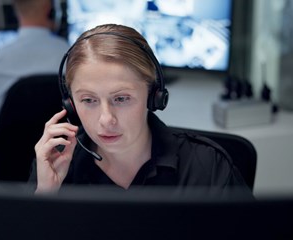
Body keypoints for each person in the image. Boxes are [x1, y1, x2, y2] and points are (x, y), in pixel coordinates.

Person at [29, 24, 252, 196]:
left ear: (153, 95)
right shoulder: (55, 162)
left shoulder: (207, 167)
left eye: (121, 98)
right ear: (70, 103)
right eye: (88, 100)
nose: (106, 120)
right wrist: (46, 195)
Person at [0, 0, 69, 141]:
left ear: (14, 12)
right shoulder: (75, 61)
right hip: (66, 154)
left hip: (7, 160)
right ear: (51, 10)